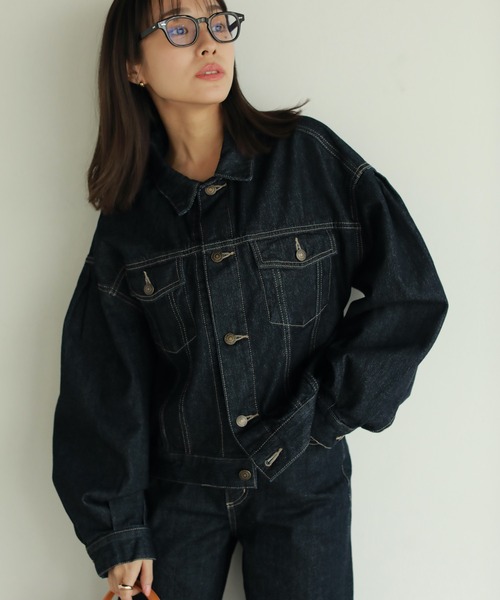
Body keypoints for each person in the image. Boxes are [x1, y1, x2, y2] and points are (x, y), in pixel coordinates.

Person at [52, 1, 448, 599]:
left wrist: (323, 417)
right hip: (180, 496)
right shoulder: (130, 218)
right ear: (133, 66)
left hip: (303, 485)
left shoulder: (307, 158)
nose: (208, 42)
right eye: (178, 28)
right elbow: (106, 382)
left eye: (217, 22)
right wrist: (120, 530)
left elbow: (410, 293)